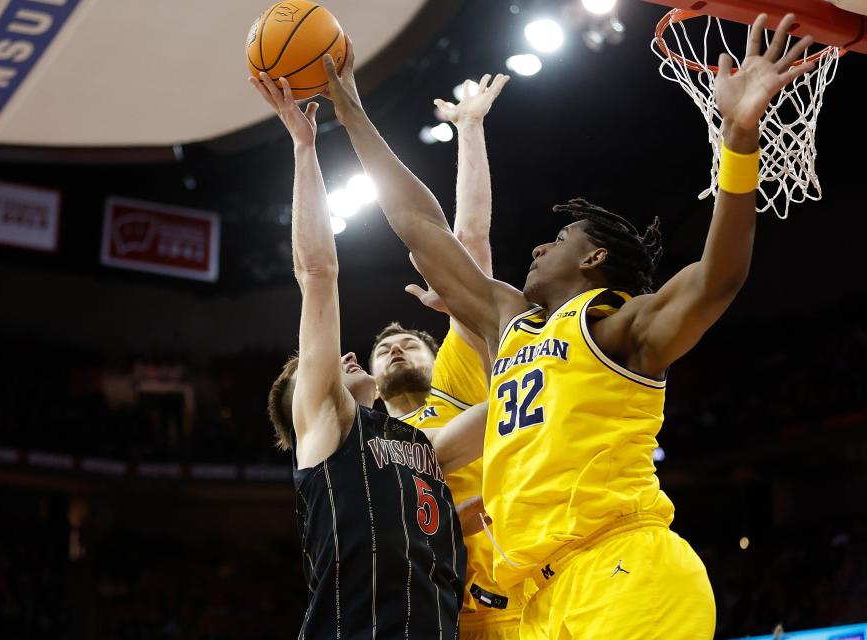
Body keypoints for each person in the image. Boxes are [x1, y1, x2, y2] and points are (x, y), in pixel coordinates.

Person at [321, 16, 815, 638]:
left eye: (558, 239)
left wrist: (740, 139)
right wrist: (353, 113)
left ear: (592, 259)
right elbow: (421, 229)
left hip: (625, 571)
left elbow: (719, 278)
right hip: (540, 600)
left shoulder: (616, 326)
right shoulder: (511, 324)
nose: (537, 249)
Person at [250, 71, 485, 639]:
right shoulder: (327, 431)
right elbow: (318, 273)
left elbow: (506, 408)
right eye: (309, 369)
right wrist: (305, 148)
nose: (345, 356)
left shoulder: (415, 442)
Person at [369, 74, 524, 639]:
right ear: (375, 381)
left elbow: (471, 242)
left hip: (510, 585)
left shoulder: (458, 377)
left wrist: (471, 129)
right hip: (423, 605)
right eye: (384, 350)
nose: (395, 350)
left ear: (438, 357)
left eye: (409, 342)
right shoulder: (368, 435)